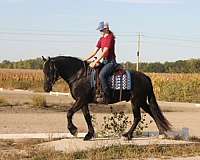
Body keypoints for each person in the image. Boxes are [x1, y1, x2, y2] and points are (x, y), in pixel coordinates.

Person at [85, 21, 117, 99]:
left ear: (106, 29)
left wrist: (96, 61)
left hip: (111, 62)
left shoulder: (110, 38)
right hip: (105, 62)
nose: (100, 31)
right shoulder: (101, 39)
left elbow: (105, 52)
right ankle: (97, 91)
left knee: (102, 75)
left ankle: (107, 95)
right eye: (100, 30)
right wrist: (84, 60)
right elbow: (94, 52)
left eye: (101, 30)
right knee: (93, 72)